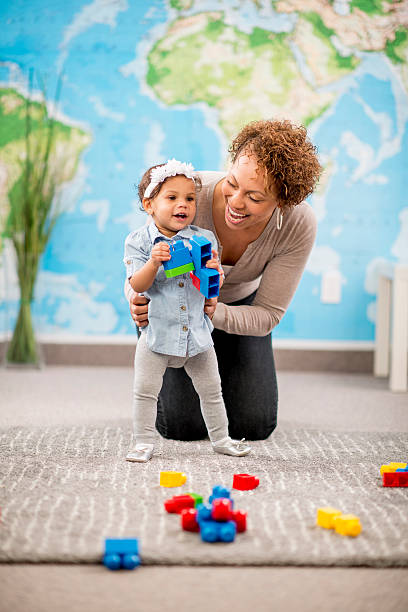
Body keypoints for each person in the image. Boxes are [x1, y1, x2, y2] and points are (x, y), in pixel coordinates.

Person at [125, 119, 321, 443]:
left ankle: (224, 359)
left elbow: (268, 314)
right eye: (233, 182)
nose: (236, 201)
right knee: (182, 426)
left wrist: (214, 313)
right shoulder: (188, 192)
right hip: (174, 305)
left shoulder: (297, 224)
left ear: (283, 202)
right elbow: (139, 255)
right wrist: (133, 297)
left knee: (253, 424)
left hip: (236, 309)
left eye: (255, 198)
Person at [123, 158, 251, 462]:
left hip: (196, 334)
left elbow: (213, 285)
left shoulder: (203, 239)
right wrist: (155, 262)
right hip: (157, 335)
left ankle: (221, 438)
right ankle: (143, 442)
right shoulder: (139, 242)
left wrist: (214, 271)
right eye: (172, 198)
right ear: (149, 204)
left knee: (212, 389)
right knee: (145, 390)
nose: (183, 205)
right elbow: (138, 285)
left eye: (190, 198)